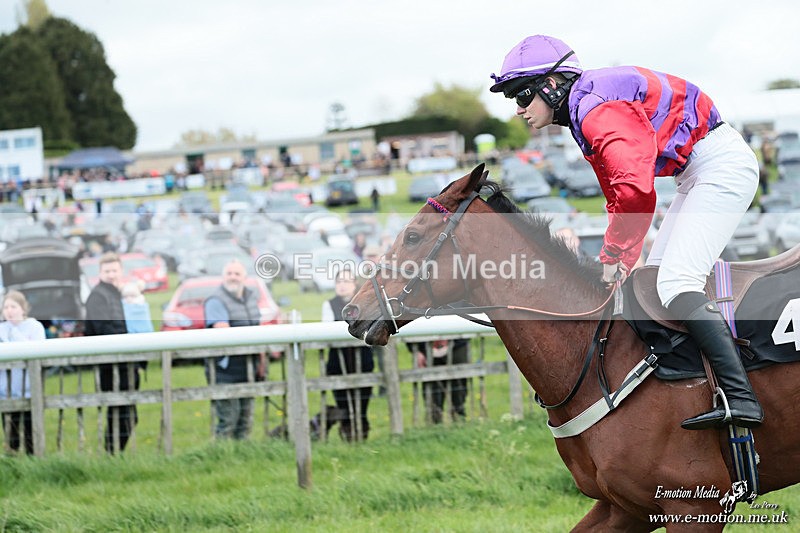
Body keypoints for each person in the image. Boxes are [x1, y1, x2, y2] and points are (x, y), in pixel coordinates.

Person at [490, 35, 762, 430]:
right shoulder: (584, 106)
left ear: (550, 85)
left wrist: (615, 255)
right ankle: (689, 382)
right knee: (653, 282)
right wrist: (616, 261)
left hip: (719, 167)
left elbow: (635, 191)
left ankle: (741, 398)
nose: (518, 109)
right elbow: (619, 194)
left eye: (522, 95)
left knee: (676, 283)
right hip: (698, 171)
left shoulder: (595, 109)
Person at [84, 252, 143, 453]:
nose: (111, 274)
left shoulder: (119, 294)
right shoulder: (97, 296)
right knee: (120, 412)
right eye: (107, 271)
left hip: (127, 361)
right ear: (100, 273)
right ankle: (111, 453)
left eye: (114, 270)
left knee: (128, 413)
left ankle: (114, 454)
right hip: (111, 364)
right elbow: (102, 328)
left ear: (121, 271)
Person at [204, 259, 266, 440]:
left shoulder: (251, 298)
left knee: (245, 420)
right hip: (225, 369)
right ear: (223, 277)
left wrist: (261, 361)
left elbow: (259, 330)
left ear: (244, 277)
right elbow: (222, 331)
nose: (233, 277)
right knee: (228, 420)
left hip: (249, 366)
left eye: (237, 273)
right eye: (229, 273)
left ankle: (241, 453)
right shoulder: (215, 300)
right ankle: (221, 453)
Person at [321, 268, 374, 441]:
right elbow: (327, 329)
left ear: (354, 284)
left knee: (363, 400)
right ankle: (347, 432)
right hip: (338, 359)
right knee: (343, 400)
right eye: (339, 282)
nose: (342, 285)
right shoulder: (329, 305)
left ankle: (362, 432)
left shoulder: (365, 303)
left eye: (346, 281)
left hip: (363, 358)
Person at [0, 290, 46, 454]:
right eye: (6, 307)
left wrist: (15, 333)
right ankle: (12, 459)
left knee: (30, 430)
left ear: (23, 309)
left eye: (13, 306)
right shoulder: (1, 329)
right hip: (6, 391)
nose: (9, 311)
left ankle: (32, 458)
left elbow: (38, 350)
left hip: (29, 389)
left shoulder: (34, 327)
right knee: (10, 431)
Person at [407, 339, 468, 424]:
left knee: (458, 391)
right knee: (432, 395)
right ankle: (435, 424)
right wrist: (416, 350)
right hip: (425, 345)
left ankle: (460, 421)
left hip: (457, 343)